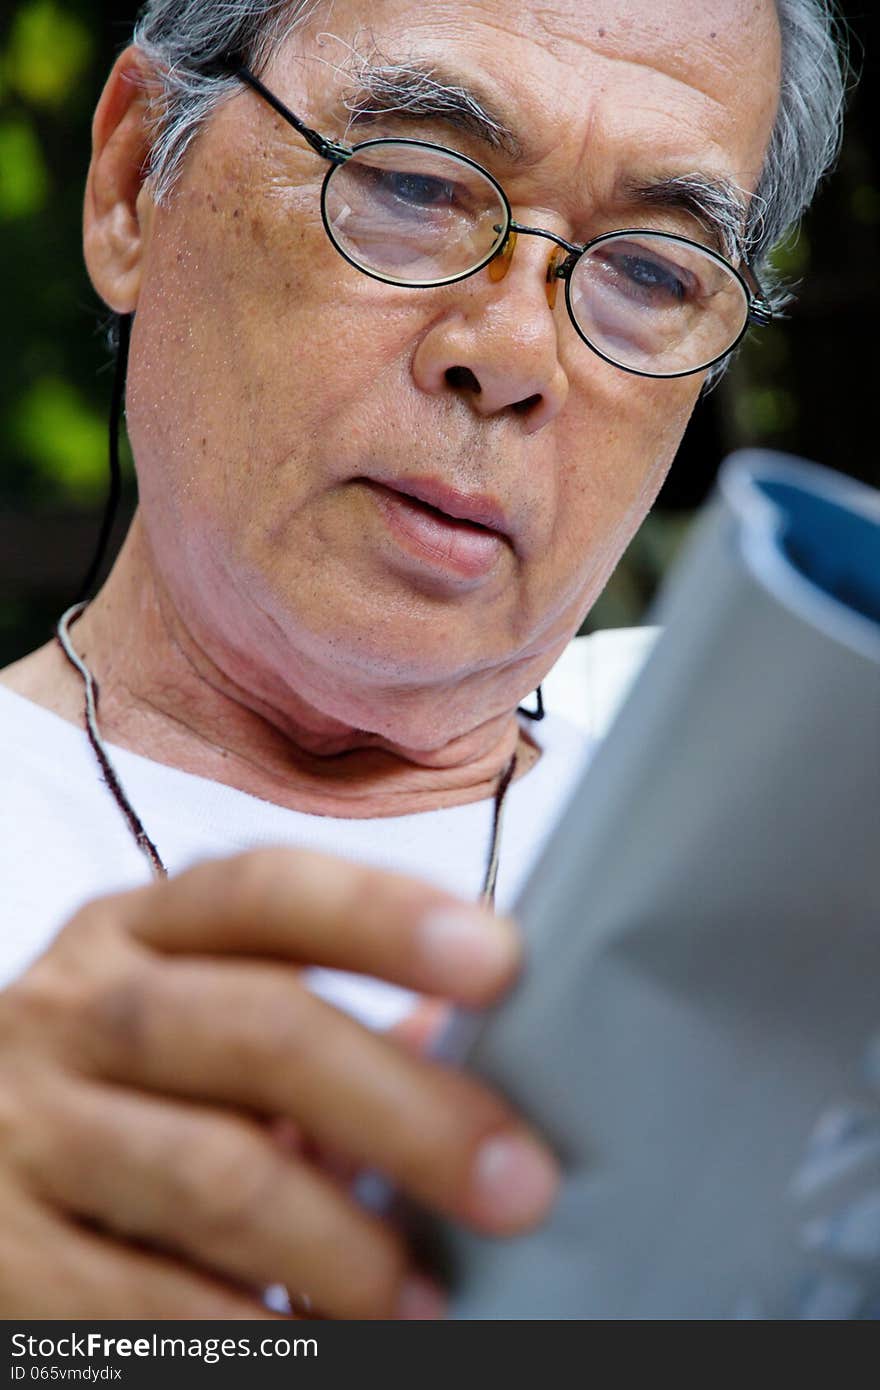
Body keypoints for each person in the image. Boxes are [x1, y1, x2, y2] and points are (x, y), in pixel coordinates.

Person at [0, 0, 846, 1318]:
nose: (511, 355)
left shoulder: (792, 807)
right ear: (129, 185)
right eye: (409, 184)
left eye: (652, 271)